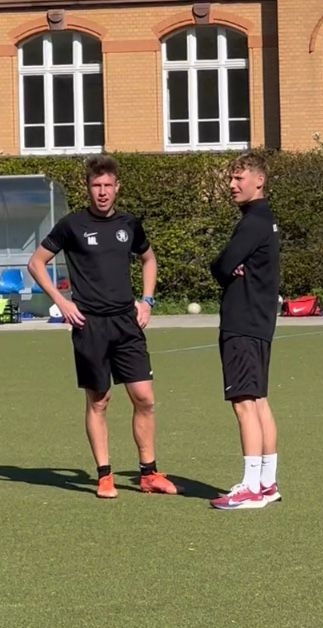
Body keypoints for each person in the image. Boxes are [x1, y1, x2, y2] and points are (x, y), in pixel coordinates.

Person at [27, 154, 177, 499]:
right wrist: (63, 302)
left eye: (108, 185)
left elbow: (149, 259)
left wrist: (147, 301)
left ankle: (149, 474)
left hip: (127, 323)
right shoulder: (71, 225)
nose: (103, 192)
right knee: (99, 400)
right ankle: (105, 476)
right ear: (88, 188)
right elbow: (36, 263)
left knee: (145, 398)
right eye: (97, 185)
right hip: (90, 325)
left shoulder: (129, 224)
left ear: (117, 187)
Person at [209, 151, 282, 511]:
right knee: (259, 400)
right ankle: (267, 483)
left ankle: (252, 487)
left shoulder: (254, 222)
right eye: (231, 178)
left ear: (259, 181)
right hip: (259, 323)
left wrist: (227, 267)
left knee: (243, 403)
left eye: (239, 178)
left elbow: (221, 266)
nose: (232, 185)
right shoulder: (265, 221)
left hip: (242, 324)